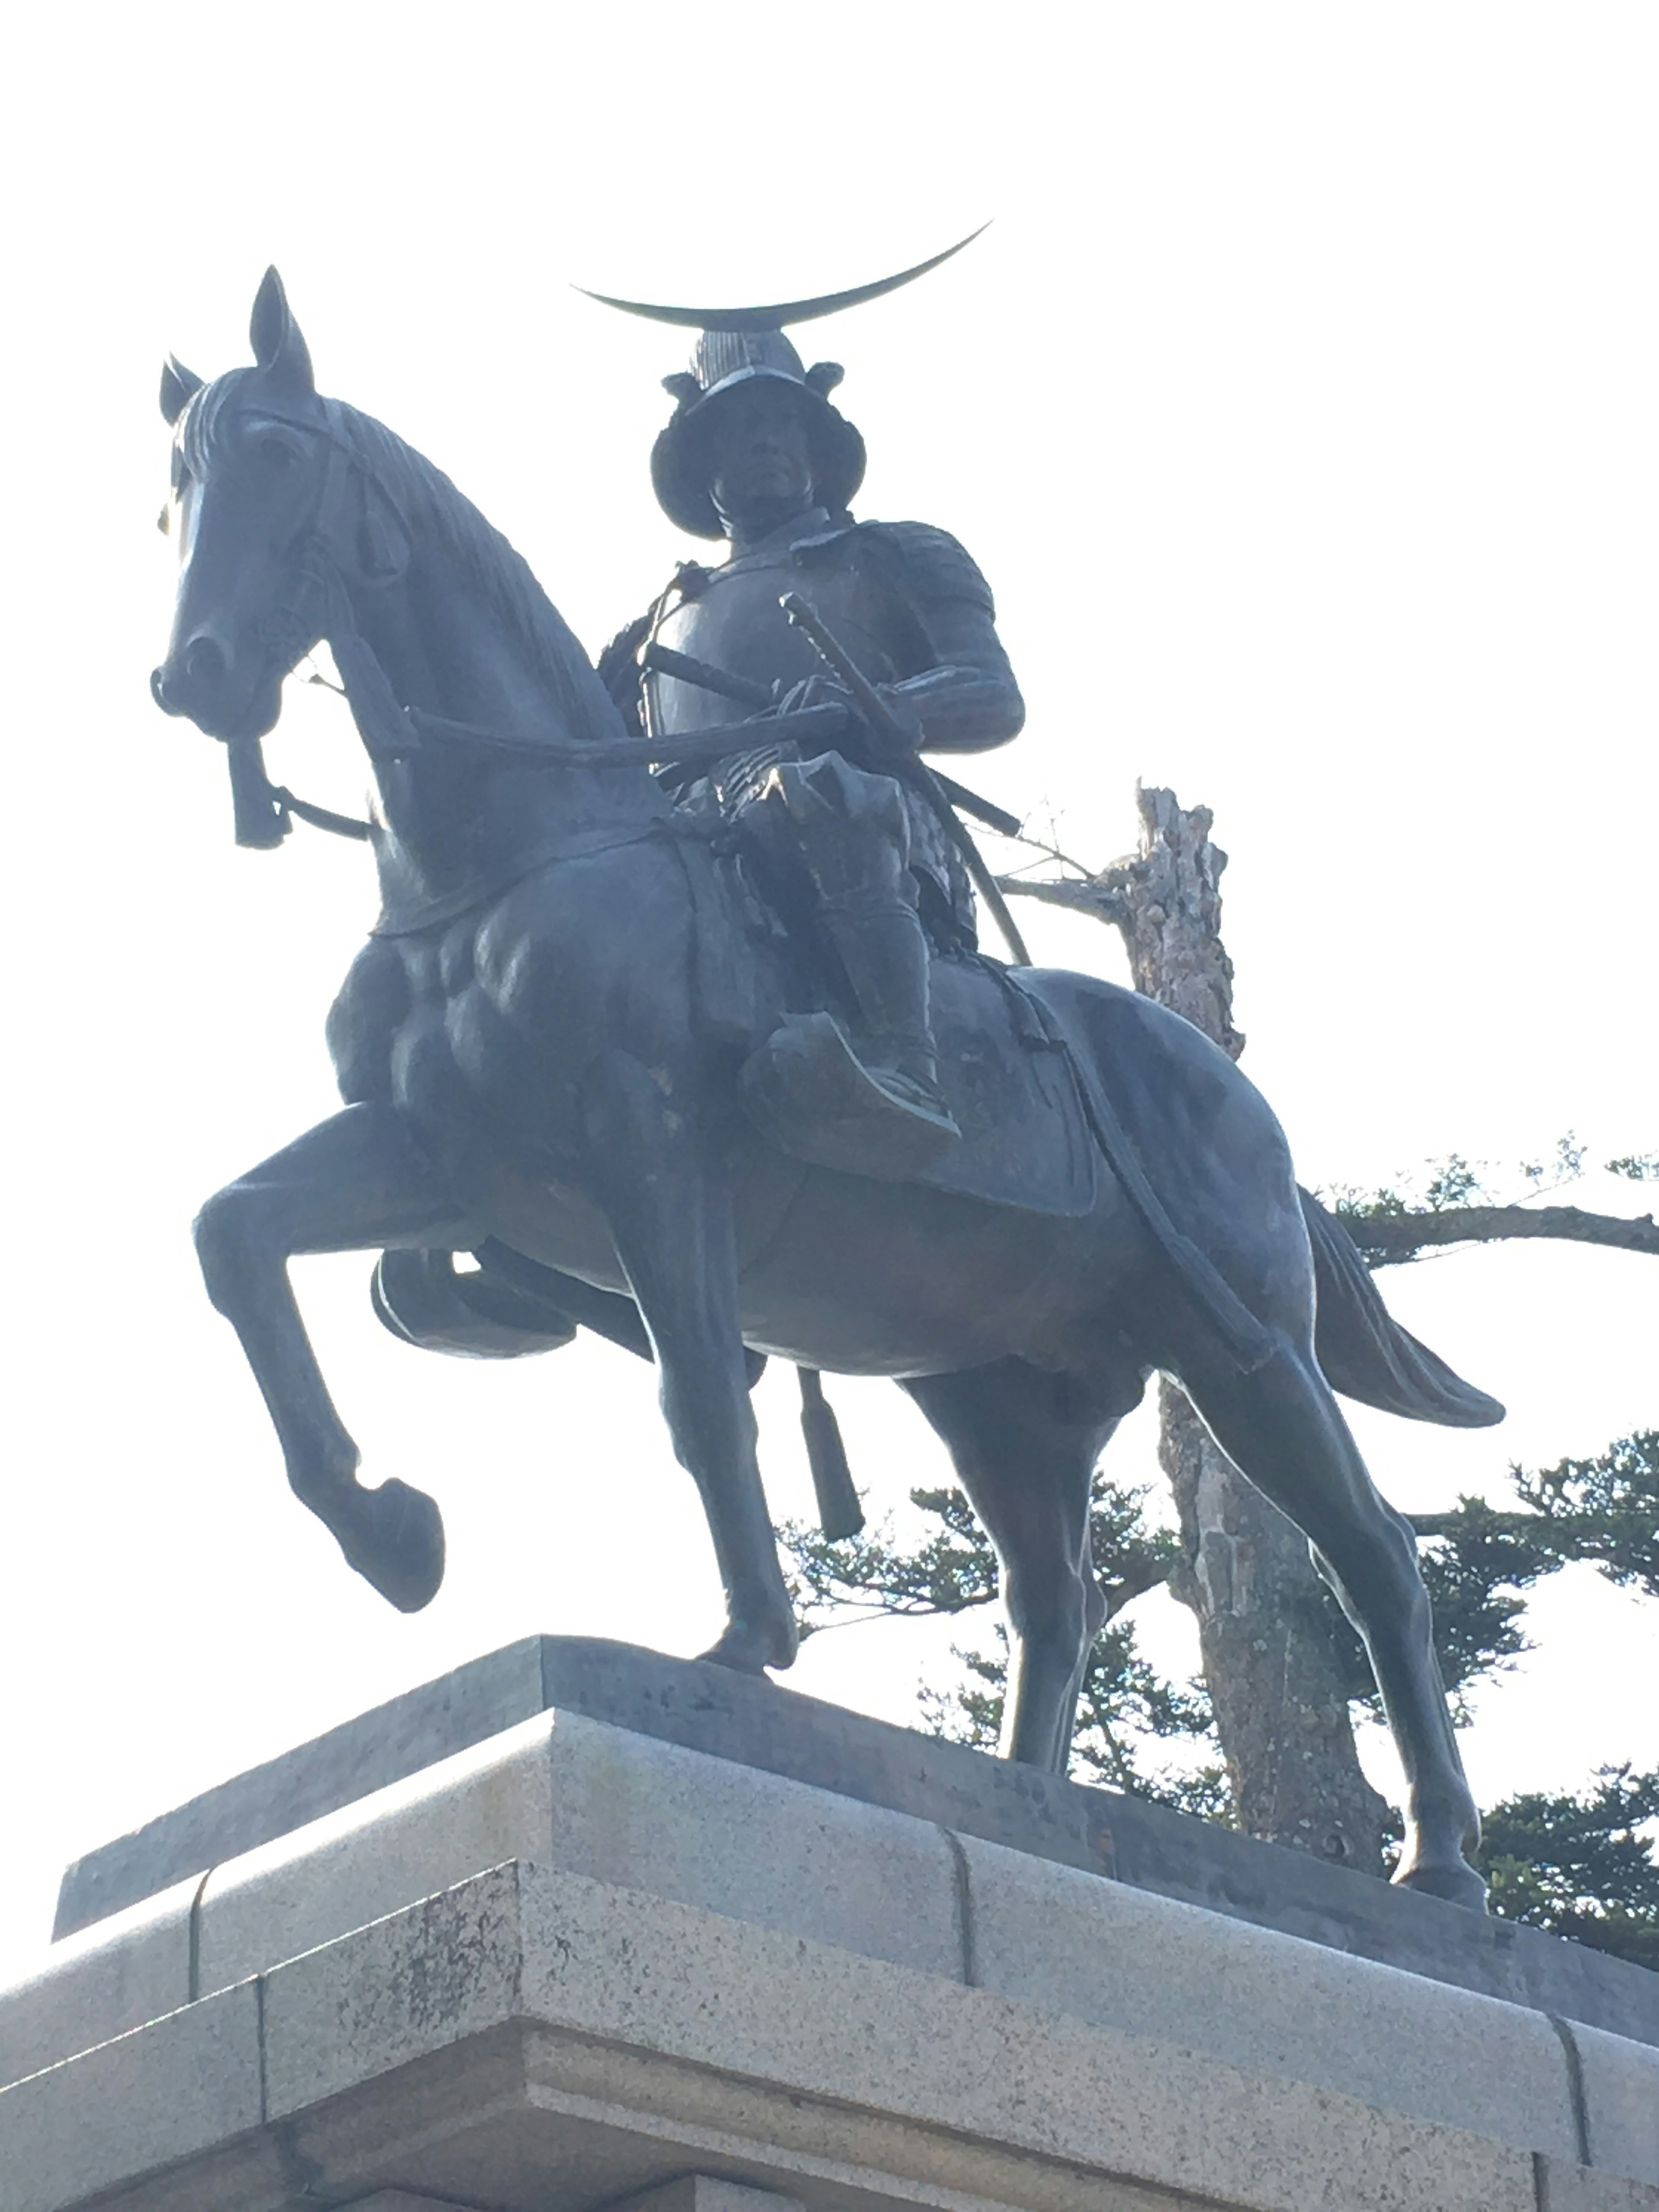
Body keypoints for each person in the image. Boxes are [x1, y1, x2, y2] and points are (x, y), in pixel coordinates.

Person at [600, 325, 1025, 1178]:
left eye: (782, 424)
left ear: (816, 445)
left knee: (815, 790)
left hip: (862, 819)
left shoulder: (895, 555)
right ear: (700, 462)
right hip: (698, 838)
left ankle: (904, 1059)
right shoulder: (656, 622)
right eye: (734, 428)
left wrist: (877, 706)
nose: (762, 442)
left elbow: (993, 696)